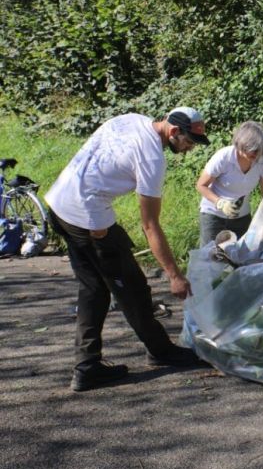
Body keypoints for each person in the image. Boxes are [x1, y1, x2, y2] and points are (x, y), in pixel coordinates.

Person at [45, 107, 210, 392]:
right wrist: (174, 275)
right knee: (132, 287)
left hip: (59, 205)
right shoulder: (152, 157)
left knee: (94, 289)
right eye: (188, 142)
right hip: (87, 218)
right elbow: (149, 225)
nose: (188, 149)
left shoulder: (130, 119)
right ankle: (161, 352)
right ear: (173, 132)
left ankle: (87, 367)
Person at [195, 121, 263, 247]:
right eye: (254, 150)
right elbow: (201, 185)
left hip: (242, 217)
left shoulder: (262, 159)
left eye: (261, 151)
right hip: (213, 215)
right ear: (242, 144)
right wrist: (220, 203)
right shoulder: (224, 157)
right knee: (210, 256)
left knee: (240, 256)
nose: (257, 154)